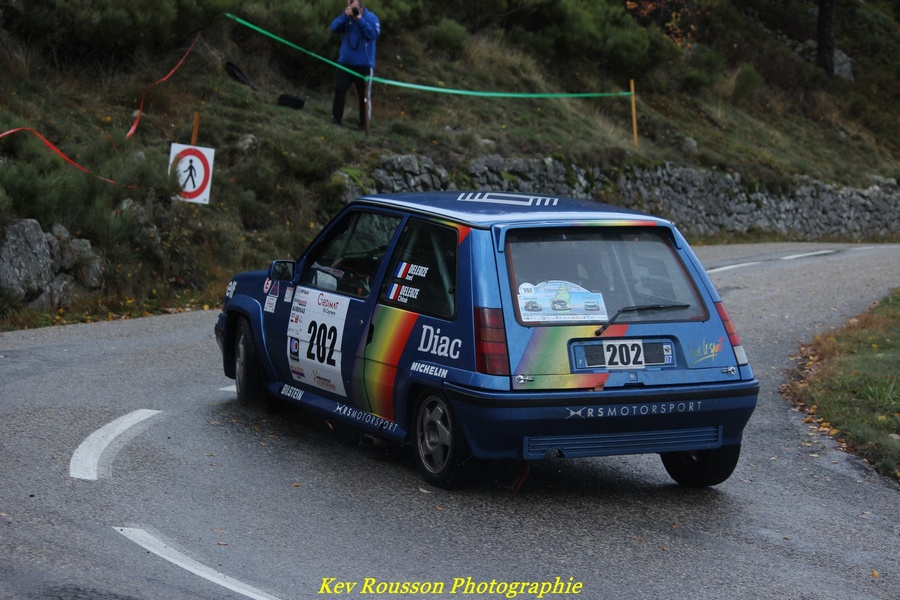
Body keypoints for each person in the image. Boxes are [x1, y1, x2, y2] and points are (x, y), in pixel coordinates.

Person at [330, 0, 380, 130]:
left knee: (364, 96)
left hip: (364, 65)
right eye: (349, 7)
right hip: (345, 63)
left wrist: (359, 20)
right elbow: (333, 28)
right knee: (340, 90)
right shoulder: (346, 17)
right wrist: (344, 17)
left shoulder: (371, 18)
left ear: (361, 8)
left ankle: (364, 125)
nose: (351, 10)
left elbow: (373, 34)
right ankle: (336, 119)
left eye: (354, 8)